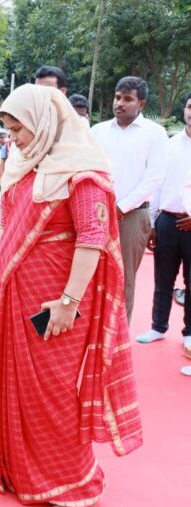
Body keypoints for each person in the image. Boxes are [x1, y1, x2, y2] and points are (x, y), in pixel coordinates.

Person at [0, 84, 143, 507]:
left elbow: (93, 236)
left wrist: (69, 301)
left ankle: (69, 484)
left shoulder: (82, 169)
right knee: (21, 388)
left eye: (19, 129)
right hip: (19, 295)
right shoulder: (25, 165)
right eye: (9, 129)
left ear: (46, 123)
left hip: (58, 301)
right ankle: (19, 468)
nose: (12, 138)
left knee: (54, 392)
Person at [92, 76, 168, 322]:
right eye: (117, 97)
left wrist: (121, 207)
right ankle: (91, 334)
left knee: (123, 278)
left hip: (133, 216)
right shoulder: (98, 131)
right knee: (91, 273)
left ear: (141, 104)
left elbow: (154, 178)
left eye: (127, 99)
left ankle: (117, 341)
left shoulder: (154, 134)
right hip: (95, 213)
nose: (119, 103)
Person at [137, 92, 191, 357]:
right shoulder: (170, 145)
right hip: (167, 220)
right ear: (185, 110)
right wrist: (153, 222)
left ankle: (190, 333)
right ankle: (158, 326)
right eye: (190, 107)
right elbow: (157, 183)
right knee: (163, 278)